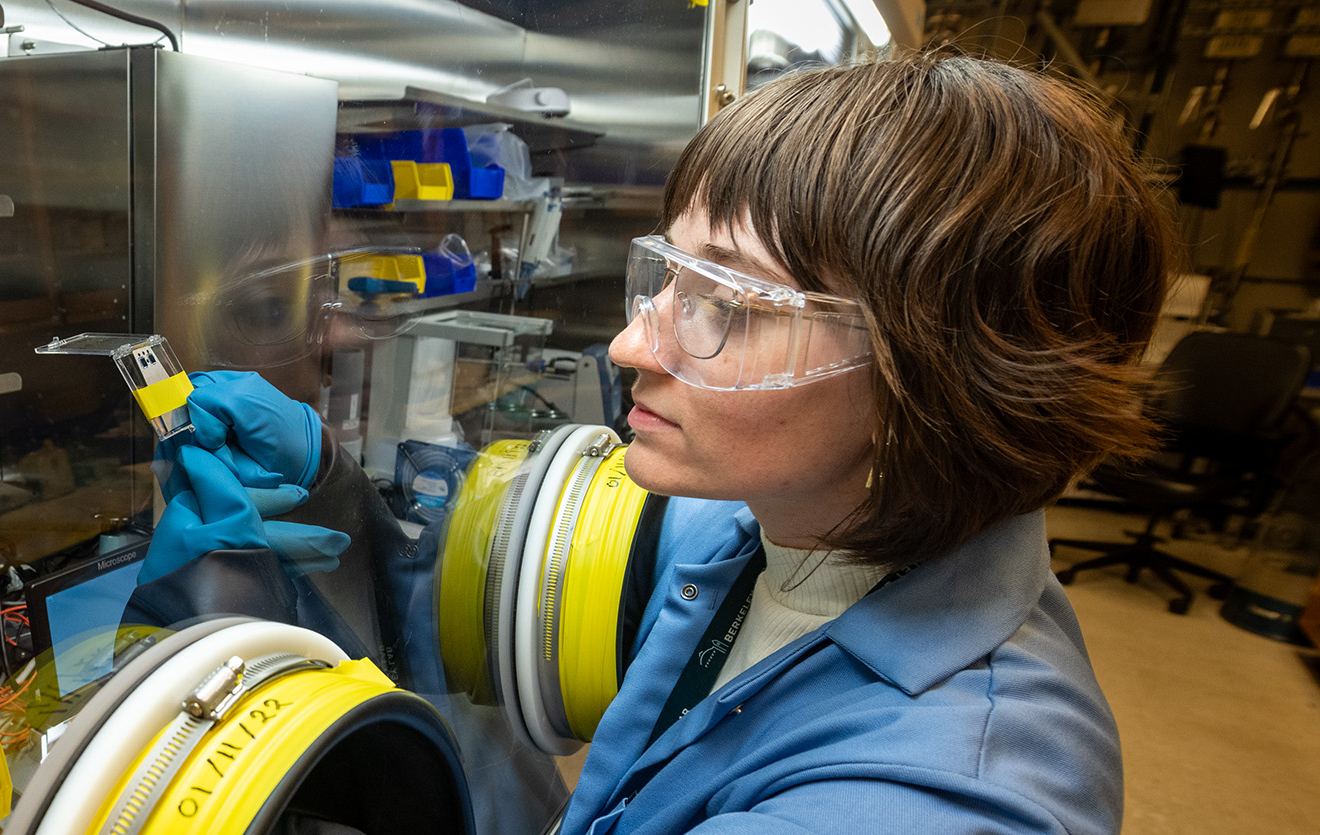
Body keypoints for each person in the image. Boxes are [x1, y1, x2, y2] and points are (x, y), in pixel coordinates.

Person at [138, 51, 1172, 834]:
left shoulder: (924, 800)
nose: (634, 342)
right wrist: (330, 489)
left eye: (724, 303)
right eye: (666, 277)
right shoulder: (776, 526)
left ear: (930, 378)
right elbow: (481, 606)